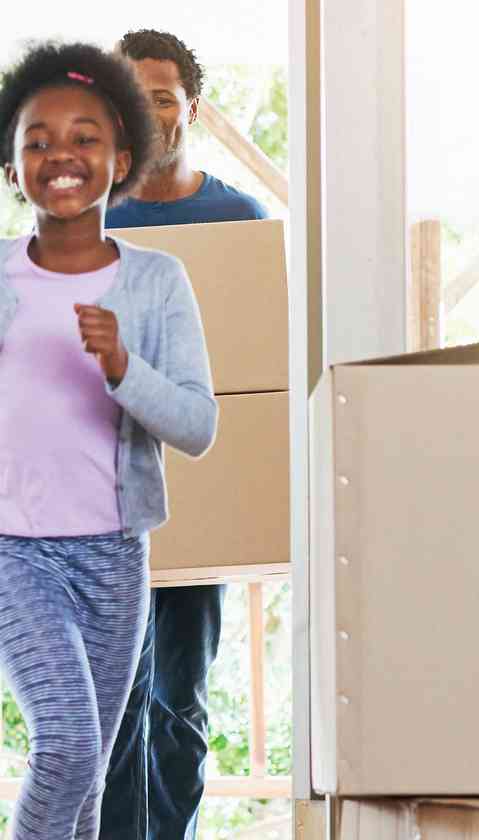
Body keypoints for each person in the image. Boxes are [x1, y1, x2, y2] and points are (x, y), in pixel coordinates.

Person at [0, 41, 217, 840]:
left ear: (123, 156)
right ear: (11, 164)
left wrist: (125, 366)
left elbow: (198, 426)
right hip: (13, 552)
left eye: (85, 136)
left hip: (114, 555)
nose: (61, 153)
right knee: (65, 742)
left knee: (90, 773)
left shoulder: (158, 282)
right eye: (37, 139)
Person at [101, 29, 268, 840]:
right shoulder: (91, 221)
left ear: (188, 108)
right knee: (114, 704)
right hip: (108, 499)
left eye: (162, 96)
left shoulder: (238, 218)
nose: (148, 111)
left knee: (180, 701)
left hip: (205, 494)